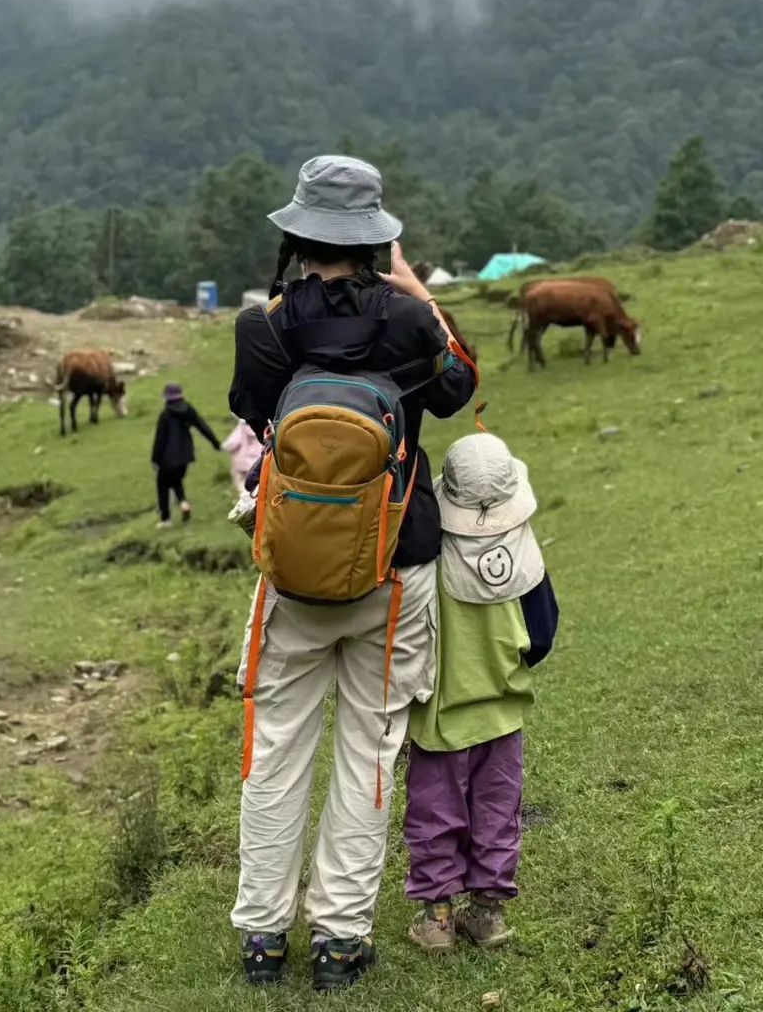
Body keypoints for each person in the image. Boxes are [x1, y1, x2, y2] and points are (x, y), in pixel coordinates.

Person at [228, 154, 477, 994]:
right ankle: (340, 940)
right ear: (377, 241)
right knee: (369, 750)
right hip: (393, 564)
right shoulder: (408, 323)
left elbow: (256, 417)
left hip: (291, 570)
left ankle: (263, 935)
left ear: (296, 236)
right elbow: (461, 387)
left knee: (275, 749)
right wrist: (418, 294)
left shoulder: (262, 327)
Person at [403, 433, 558, 953]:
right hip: (504, 714)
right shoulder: (525, 555)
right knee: (497, 810)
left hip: (440, 716)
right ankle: (488, 915)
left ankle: (438, 920)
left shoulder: (429, 551)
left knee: (435, 813)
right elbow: (541, 635)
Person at [150, 382, 221, 529]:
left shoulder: (165, 415)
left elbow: (160, 439)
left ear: (166, 398)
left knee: (162, 485)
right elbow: (202, 426)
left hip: (167, 459)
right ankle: (183, 503)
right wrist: (215, 443)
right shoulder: (188, 410)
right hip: (185, 457)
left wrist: (155, 459)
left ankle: (166, 519)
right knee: (176, 480)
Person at [222, 416, 263, 496]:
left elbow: (233, 442)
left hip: (242, 463)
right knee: (256, 484)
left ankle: (243, 498)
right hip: (257, 464)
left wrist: (224, 447)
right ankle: (254, 498)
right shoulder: (260, 429)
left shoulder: (241, 429)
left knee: (240, 482)